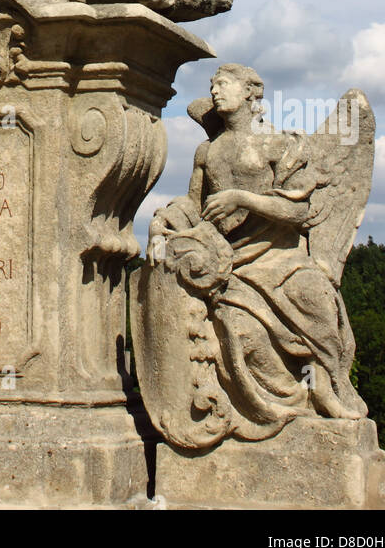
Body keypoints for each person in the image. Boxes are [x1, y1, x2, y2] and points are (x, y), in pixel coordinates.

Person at [148, 64, 365, 432]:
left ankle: (329, 386)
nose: (216, 92)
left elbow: (298, 210)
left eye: (224, 85)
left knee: (315, 298)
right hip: (231, 264)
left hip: (281, 259)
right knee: (242, 332)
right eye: (212, 86)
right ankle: (288, 403)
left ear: (251, 92)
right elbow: (194, 206)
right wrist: (162, 222)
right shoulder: (207, 151)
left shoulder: (280, 144)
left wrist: (244, 199)